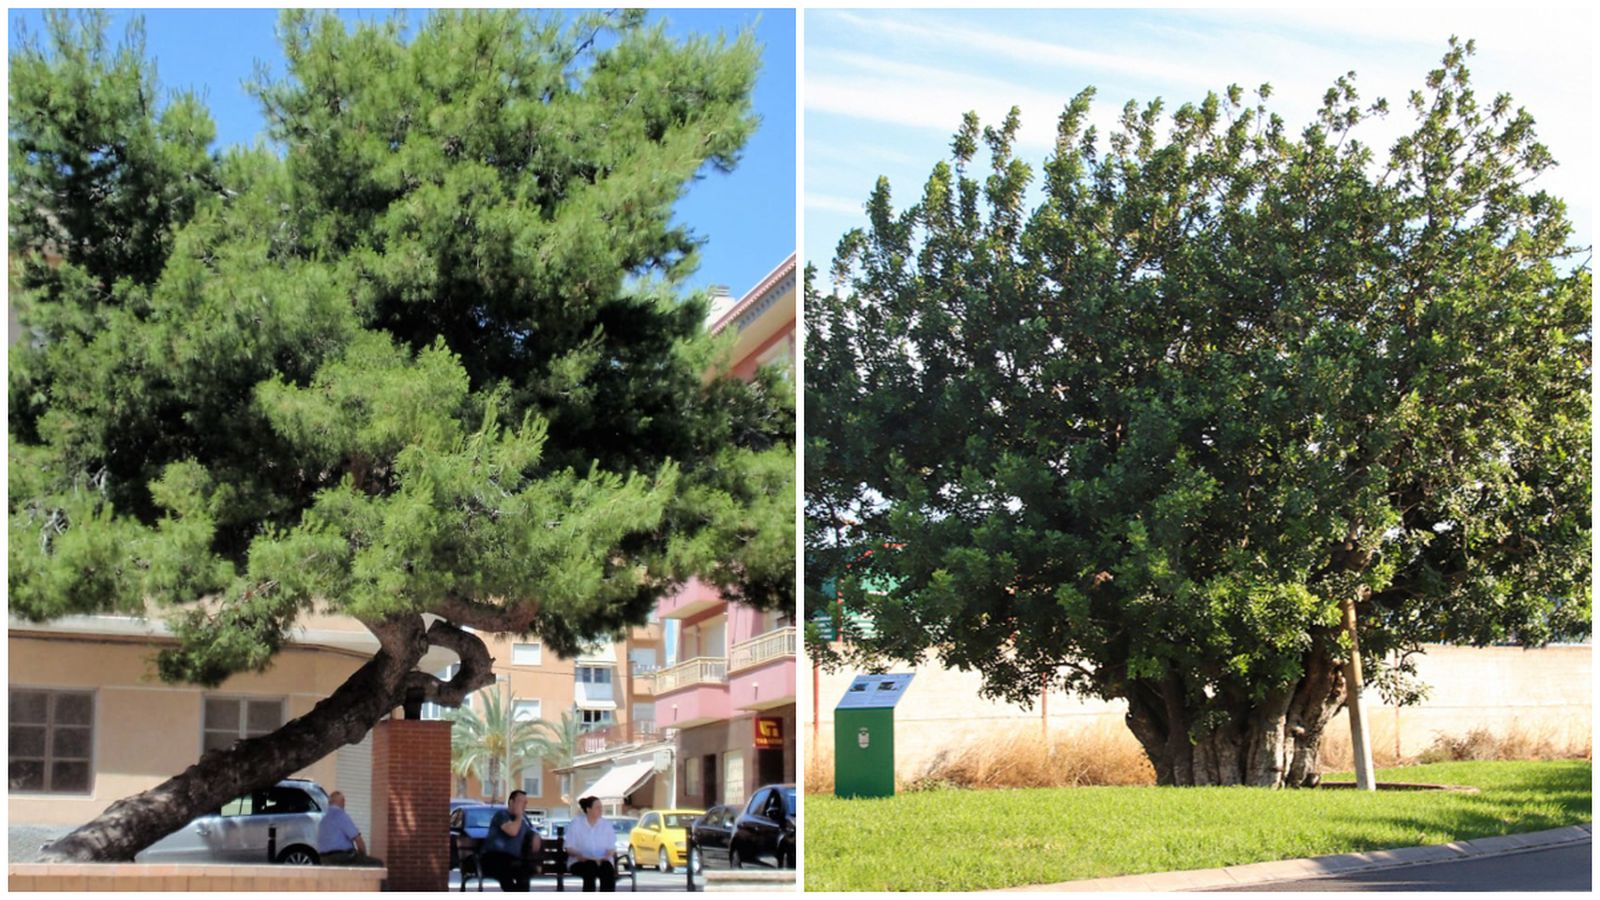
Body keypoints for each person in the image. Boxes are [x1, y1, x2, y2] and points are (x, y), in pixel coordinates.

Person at [481, 789, 540, 892]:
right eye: (521, 802)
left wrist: (535, 836)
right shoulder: (501, 815)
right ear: (511, 802)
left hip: (512, 859)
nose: (524, 805)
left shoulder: (524, 819)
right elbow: (512, 831)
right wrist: (519, 816)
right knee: (505, 872)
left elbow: (532, 830)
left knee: (524, 873)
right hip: (493, 858)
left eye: (525, 802)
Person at [316, 791, 383, 867]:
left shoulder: (323, 820)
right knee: (377, 864)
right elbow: (358, 840)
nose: (344, 804)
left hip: (324, 859)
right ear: (340, 802)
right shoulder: (341, 815)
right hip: (342, 858)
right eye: (343, 801)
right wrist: (363, 855)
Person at [566, 796, 617, 892]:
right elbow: (568, 847)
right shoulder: (576, 824)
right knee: (590, 867)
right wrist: (579, 855)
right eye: (597, 807)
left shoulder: (606, 825)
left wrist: (607, 856)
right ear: (588, 809)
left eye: (601, 807)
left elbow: (612, 847)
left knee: (607, 869)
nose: (601, 810)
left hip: (602, 861)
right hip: (580, 862)